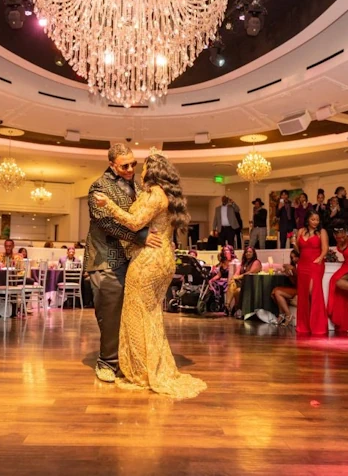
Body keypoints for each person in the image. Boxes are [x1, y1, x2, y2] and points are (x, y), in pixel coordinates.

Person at [93, 150, 206, 399]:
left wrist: (108, 205)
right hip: (164, 258)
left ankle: (143, 371)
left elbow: (134, 223)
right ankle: (151, 365)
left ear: (152, 171)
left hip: (149, 259)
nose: (139, 170)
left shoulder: (155, 194)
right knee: (151, 314)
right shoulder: (160, 193)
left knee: (136, 312)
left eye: (143, 167)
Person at [84, 143, 162, 384]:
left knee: (129, 313)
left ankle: (126, 360)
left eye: (133, 164)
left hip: (131, 259)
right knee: (110, 313)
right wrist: (141, 237)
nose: (130, 169)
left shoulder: (138, 186)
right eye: (124, 165)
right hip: (105, 258)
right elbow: (105, 222)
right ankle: (106, 362)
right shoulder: (99, 186)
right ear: (112, 165)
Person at [295, 209, 329, 334]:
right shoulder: (301, 231)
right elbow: (299, 250)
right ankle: (304, 326)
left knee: (313, 292)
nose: (315, 222)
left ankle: (318, 326)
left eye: (317, 220)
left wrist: (319, 259)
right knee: (303, 294)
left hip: (316, 264)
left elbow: (325, 249)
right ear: (308, 220)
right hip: (303, 264)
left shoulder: (322, 232)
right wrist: (294, 244)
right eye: (313, 219)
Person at [226, 246, 263, 316]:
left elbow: (251, 272)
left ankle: (236, 307)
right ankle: (227, 306)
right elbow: (236, 273)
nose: (248, 253)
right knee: (232, 284)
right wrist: (234, 278)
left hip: (251, 284)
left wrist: (239, 276)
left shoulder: (256, 262)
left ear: (253, 253)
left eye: (250, 252)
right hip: (241, 283)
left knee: (237, 290)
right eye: (246, 252)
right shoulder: (243, 263)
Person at [272, 249, 300, 327]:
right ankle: (282, 315)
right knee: (274, 291)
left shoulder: (301, 266)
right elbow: (294, 282)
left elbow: (300, 281)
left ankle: (288, 315)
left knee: (277, 292)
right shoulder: (293, 267)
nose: (294, 259)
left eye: (295, 257)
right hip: (296, 288)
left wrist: (293, 270)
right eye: (292, 258)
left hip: (301, 289)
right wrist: (289, 275)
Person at [208, 245, 235, 314]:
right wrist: (211, 280)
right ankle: (215, 305)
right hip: (221, 280)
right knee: (213, 284)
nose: (225, 252)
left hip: (230, 280)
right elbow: (219, 275)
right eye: (224, 250)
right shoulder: (222, 262)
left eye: (227, 250)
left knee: (223, 285)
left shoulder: (234, 261)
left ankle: (224, 307)